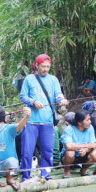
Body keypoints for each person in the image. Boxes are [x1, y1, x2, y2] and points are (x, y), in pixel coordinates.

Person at [20, 54, 69, 182]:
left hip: (47, 121)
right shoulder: (29, 79)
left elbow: (58, 94)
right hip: (31, 121)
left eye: (48, 67)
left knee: (48, 150)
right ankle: (25, 176)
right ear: (37, 65)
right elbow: (23, 96)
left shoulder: (53, 79)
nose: (45, 69)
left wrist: (61, 100)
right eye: (43, 66)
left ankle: (45, 175)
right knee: (27, 151)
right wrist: (33, 102)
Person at [60, 109, 96, 178]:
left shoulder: (90, 128)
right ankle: (67, 171)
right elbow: (69, 146)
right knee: (70, 152)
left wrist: (86, 149)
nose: (90, 122)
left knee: (95, 154)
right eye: (87, 120)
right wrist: (86, 146)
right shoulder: (69, 129)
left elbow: (93, 145)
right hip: (68, 157)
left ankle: (83, 169)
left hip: (83, 154)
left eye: (89, 119)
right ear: (79, 123)